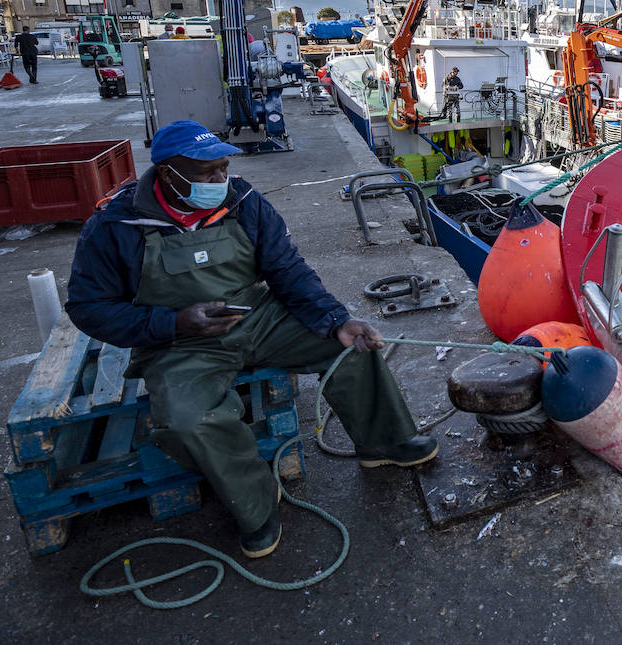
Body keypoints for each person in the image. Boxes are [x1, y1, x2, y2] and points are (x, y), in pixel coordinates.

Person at [66, 120, 437, 559]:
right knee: (187, 420)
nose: (221, 180)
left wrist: (335, 319)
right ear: (168, 174)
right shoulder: (116, 225)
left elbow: (287, 270)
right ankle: (258, 503)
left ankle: (384, 440)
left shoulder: (243, 201)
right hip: (178, 341)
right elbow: (87, 308)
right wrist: (172, 323)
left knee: (350, 346)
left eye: (224, 168)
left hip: (256, 316)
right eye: (208, 174)